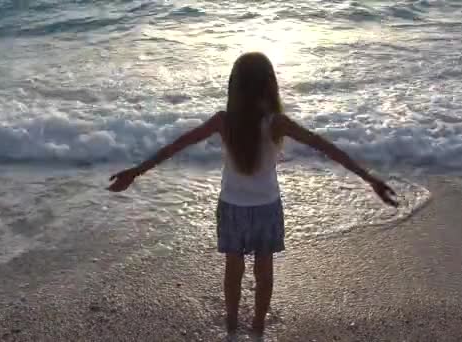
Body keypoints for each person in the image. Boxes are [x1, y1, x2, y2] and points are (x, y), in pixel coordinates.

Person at [107, 52, 398, 338]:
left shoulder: (223, 120)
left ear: (234, 85)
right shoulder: (276, 123)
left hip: (232, 206)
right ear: (270, 85)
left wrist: (137, 171)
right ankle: (258, 327)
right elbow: (325, 147)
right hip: (266, 208)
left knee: (233, 269)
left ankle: (232, 325)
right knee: (264, 270)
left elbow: (176, 146)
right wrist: (368, 178)